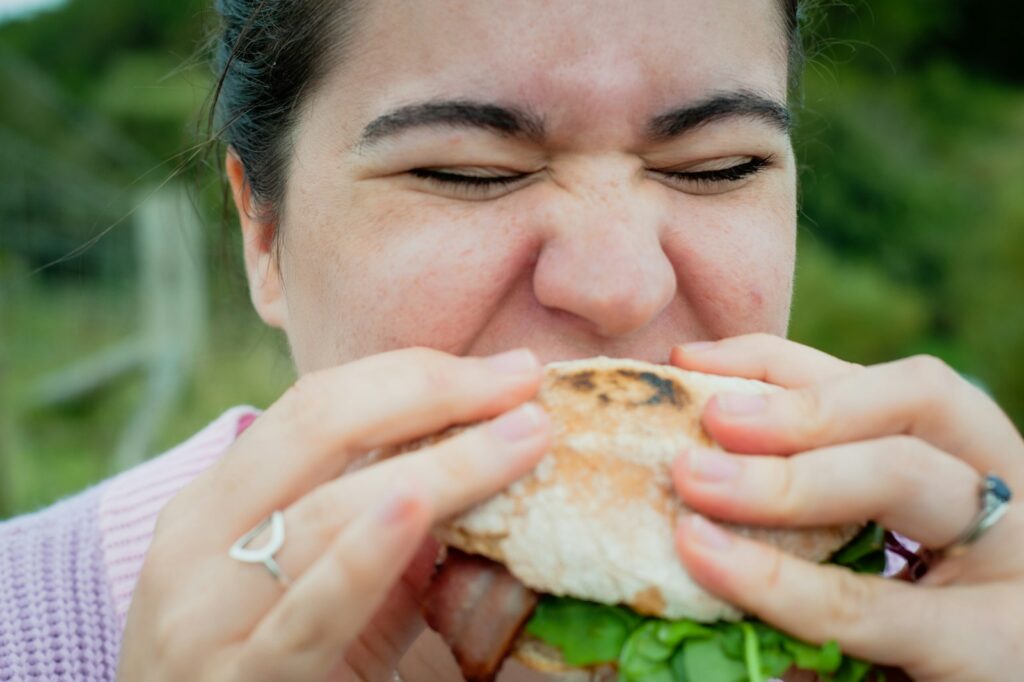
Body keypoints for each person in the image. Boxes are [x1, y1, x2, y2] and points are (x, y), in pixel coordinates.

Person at [1, 1, 1021, 680]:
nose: (621, 288)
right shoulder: (29, 630)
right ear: (262, 235)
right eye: (468, 171)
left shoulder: (939, 609)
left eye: (717, 165)